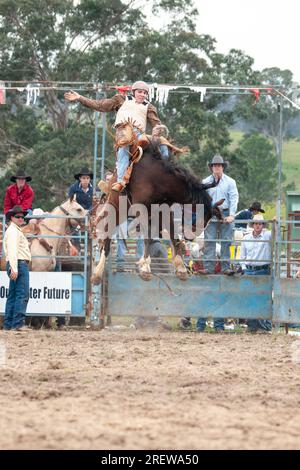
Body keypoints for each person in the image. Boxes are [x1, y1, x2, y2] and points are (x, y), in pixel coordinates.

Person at [65, 81, 161, 192]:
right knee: (123, 150)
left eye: (145, 93)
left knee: (162, 143)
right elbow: (99, 105)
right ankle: (120, 181)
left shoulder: (149, 106)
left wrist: (158, 131)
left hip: (139, 133)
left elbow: (156, 123)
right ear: (133, 92)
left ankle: (164, 171)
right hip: (124, 133)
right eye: (140, 92)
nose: (143, 95)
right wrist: (80, 98)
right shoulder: (121, 99)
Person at [196, 154, 239, 333]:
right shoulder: (206, 181)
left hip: (226, 211)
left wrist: (232, 215)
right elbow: (202, 199)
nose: (217, 168)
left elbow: (234, 198)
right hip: (212, 212)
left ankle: (226, 266)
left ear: (223, 167)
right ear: (211, 167)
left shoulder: (230, 182)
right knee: (210, 241)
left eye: (219, 166)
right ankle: (208, 266)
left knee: (227, 241)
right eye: (214, 166)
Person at [240, 213, 272, 333]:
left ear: (263, 225)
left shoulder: (267, 235)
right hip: (249, 270)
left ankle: (263, 326)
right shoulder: (246, 238)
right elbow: (242, 256)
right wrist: (244, 268)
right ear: (253, 225)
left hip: (262, 269)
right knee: (250, 298)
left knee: (261, 298)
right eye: (256, 223)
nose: (258, 225)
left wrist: (274, 222)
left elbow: (277, 233)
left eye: (260, 223)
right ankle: (252, 326)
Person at [3, 205, 31, 331]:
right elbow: (13, 250)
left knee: (13, 295)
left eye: (22, 216)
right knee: (22, 294)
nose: (21, 218)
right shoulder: (14, 231)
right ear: (12, 218)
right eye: (18, 216)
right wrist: (14, 268)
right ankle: (18, 324)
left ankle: (9, 324)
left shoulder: (12, 230)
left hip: (15, 263)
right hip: (19, 263)